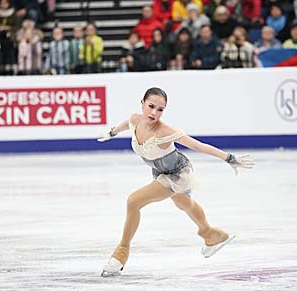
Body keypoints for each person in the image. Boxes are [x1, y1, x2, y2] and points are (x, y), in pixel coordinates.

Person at [99, 89, 252, 275]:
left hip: (177, 173)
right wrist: (112, 132)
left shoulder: (164, 131)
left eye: (160, 109)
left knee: (133, 201)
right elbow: (127, 124)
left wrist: (228, 157)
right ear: (142, 103)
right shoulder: (135, 119)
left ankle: (121, 252)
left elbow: (198, 145)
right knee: (184, 204)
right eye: (151, 106)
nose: (154, 113)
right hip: (160, 171)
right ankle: (211, 234)